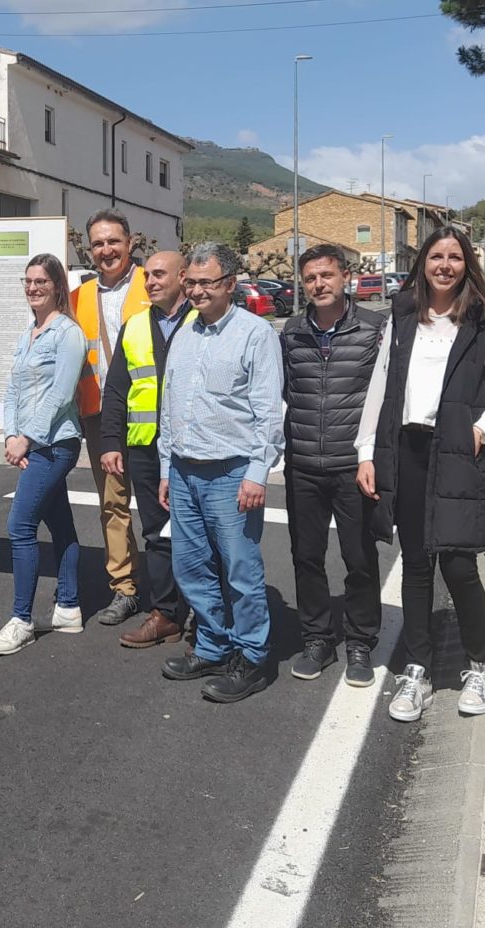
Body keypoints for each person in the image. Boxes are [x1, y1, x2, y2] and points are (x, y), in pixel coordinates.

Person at [356, 226, 485, 722]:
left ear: (467, 265)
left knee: (459, 565)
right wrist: (366, 451)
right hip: (407, 451)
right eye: (435, 257)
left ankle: (478, 663)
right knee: (417, 565)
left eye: (454, 257)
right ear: (422, 264)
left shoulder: (483, 320)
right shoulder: (403, 316)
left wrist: (481, 429)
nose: (444, 265)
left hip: (456, 453)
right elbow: (381, 387)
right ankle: (418, 670)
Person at [157, 242, 285, 704]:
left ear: (230, 283)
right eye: (190, 283)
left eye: (205, 283)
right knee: (191, 567)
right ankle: (213, 646)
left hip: (232, 473)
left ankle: (252, 658)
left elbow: (269, 411)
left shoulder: (255, 334)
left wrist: (257, 473)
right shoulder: (184, 333)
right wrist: (167, 467)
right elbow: (170, 405)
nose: (195, 291)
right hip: (185, 472)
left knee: (240, 572)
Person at [280, 244, 386, 687]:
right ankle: (317, 639)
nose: (318, 284)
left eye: (326, 275)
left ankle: (360, 640)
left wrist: (374, 456)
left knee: (358, 557)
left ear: (346, 277)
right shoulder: (291, 332)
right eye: (310, 278)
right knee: (306, 557)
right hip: (303, 463)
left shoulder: (375, 329)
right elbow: (281, 391)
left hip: (352, 465)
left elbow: (386, 397)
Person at [0, 254, 88, 655]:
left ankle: (21, 621)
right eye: (28, 281)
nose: (32, 288)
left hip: (56, 444)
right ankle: (68, 608)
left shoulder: (68, 334)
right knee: (60, 525)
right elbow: (13, 390)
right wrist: (10, 435)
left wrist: (26, 439)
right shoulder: (28, 334)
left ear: (57, 286)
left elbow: (61, 395)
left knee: (20, 527)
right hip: (30, 444)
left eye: (41, 281)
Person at [99, 250, 193, 649]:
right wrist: (110, 442)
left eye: (159, 275)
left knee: (201, 533)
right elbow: (116, 390)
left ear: (183, 277)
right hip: (145, 447)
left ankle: (205, 614)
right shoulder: (135, 326)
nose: (151, 282)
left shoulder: (202, 320)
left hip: (194, 448)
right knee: (156, 534)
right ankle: (165, 614)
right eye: (148, 276)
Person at [70, 209, 150, 626]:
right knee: (113, 504)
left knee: (164, 504)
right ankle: (124, 588)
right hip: (101, 417)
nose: (106, 250)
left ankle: (178, 587)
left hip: (152, 415)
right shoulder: (78, 297)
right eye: (98, 243)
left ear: (130, 242)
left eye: (113, 241)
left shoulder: (153, 283)